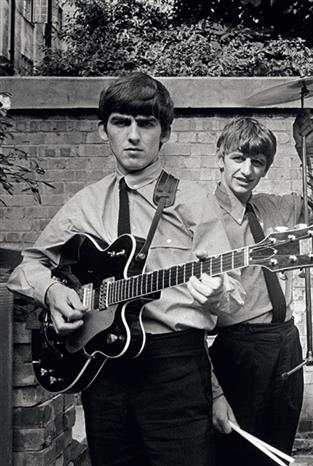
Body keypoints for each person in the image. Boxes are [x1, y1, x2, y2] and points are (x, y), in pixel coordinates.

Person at [8, 72, 243, 466]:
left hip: (175, 369)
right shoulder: (84, 203)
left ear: (164, 132)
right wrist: (52, 293)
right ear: (104, 131)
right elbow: (28, 266)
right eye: (121, 122)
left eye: (146, 124)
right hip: (103, 371)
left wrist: (217, 290)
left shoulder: (192, 201)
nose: (133, 135)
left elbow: (232, 293)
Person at [208, 114, 313, 465]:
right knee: (237, 453)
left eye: (257, 162)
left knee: (279, 449)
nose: (247, 170)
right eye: (238, 158)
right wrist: (214, 390)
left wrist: (306, 146)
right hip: (238, 348)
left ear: (266, 168)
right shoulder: (200, 216)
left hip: (286, 344)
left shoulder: (274, 207)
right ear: (220, 157)